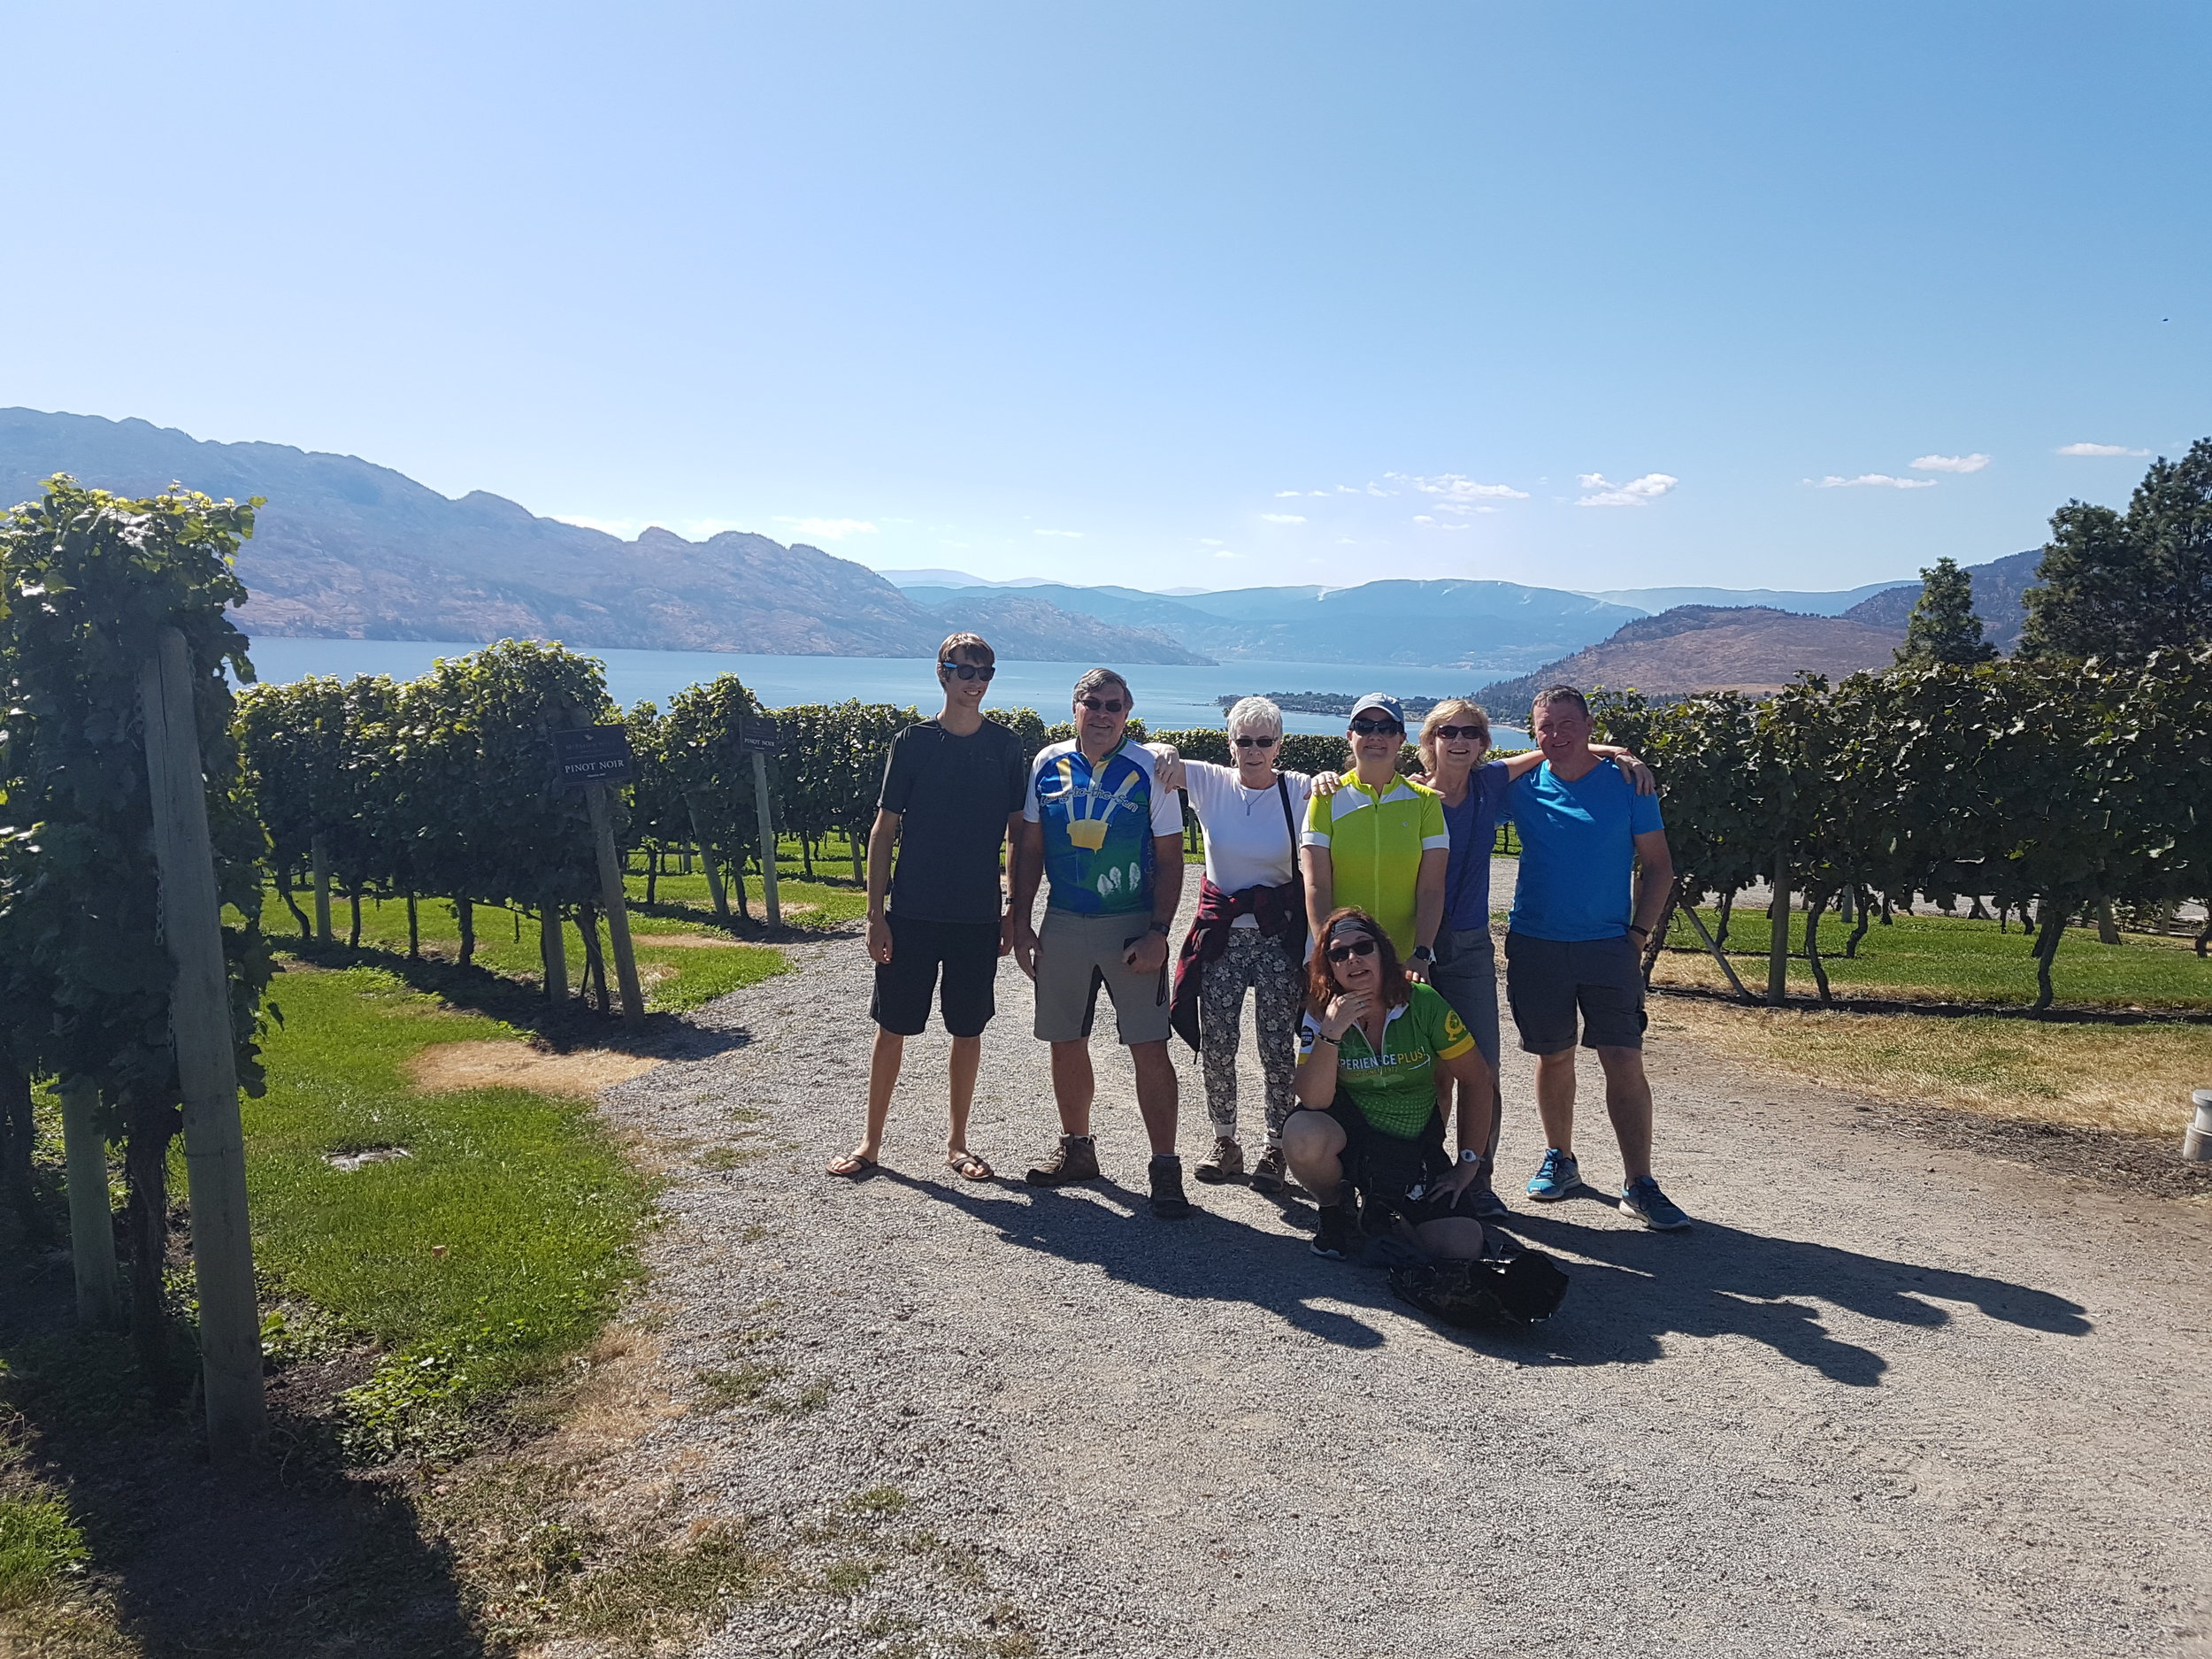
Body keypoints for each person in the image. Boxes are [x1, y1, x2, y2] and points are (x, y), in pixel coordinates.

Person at [1413, 699, 1654, 1217]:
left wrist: (1614, 751)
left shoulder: (1490, 785)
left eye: (1471, 733)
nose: (1459, 741)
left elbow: (1547, 753)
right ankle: (1425, 1177)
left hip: (1477, 945)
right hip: (1421, 946)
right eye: (1447, 732)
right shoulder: (1409, 797)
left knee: (1483, 1068)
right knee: (1431, 1070)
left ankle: (1478, 1179)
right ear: (1430, 739)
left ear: (1482, 744)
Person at [830, 633, 1028, 1181]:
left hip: (976, 917)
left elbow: (1016, 834)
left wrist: (1013, 910)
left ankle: (958, 1143)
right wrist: (875, 915)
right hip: (912, 913)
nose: (975, 680)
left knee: (968, 1031)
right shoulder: (911, 743)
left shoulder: (1008, 748)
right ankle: (870, 1143)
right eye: (964, 669)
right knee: (891, 1027)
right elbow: (883, 830)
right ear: (941, 674)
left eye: (985, 670)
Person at [1505, 685, 1691, 1230]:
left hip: (1609, 947)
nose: (1557, 735)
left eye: (1568, 724)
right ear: (1532, 732)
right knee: (1553, 1056)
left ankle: (1640, 1182)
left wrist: (1636, 936)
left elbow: (1659, 866)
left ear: (1589, 725)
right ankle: (1559, 1159)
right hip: (1536, 943)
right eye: (1545, 726)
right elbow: (1456, 785)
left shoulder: (1629, 785)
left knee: (1623, 1059)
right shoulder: (1521, 787)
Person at [1009, 668, 1193, 1218]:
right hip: (1065, 920)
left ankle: (1164, 1167)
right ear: (1075, 708)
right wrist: (1020, 921)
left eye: (1114, 704)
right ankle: (1077, 1150)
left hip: (1130, 923)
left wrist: (1160, 933)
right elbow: (1030, 847)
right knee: (1064, 1039)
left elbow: (1169, 857)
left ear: (1127, 712)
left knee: (1148, 1045)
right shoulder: (1047, 763)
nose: (1103, 713)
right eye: (1093, 703)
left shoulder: (1151, 768)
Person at [1149, 697, 1320, 1193]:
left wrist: (1331, 776)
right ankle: (1225, 1141)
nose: (1254, 750)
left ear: (1279, 745)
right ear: (1231, 744)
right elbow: (1152, 757)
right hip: (1223, 934)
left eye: (1264, 741)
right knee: (1219, 1042)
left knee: (1275, 1047)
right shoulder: (1210, 781)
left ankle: (1276, 1145)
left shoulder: (1302, 789)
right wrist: (1163, 746)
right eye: (1244, 741)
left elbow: (1345, 789)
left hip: (1275, 937)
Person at [1281, 907, 1495, 1261]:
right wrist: (1331, 1033)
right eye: (1338, 953)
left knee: (1461, 1245)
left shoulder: (1423, 1001)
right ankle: (1336, 1208)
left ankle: (1385, 1212)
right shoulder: (1321, 1011)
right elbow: (1315, 1100)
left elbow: (1477, 1079)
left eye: (1363, 947)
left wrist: (1468, 1163)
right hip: (1354, 1139)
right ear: (1329, 966)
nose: (1353, 959)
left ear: (1383, 951)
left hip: (1413, 1144)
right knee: (1302, 1131)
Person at [1301, 693, 1447, 978]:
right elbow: (1317, 886)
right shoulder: (1326, 798)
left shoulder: (1425, 802)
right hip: (1343, 960)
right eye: (1364, 726)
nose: (1375, 735)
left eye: (1387, 728)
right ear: (1350, 736)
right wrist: (1327, 954)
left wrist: (1422, 953)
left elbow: (1431, 889)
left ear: (1402, 738)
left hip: (1405, 962)